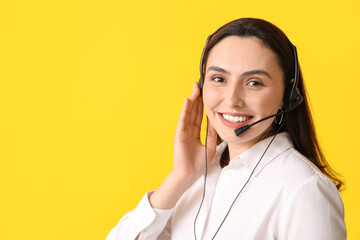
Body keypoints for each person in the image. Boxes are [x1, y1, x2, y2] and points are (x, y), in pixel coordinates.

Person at [106, 18, 346, 240]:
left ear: (287, 94)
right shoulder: (197, 178)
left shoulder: (303, 189)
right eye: (219, 79)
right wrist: (179, 178)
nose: (232, 100)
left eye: (254, 83)